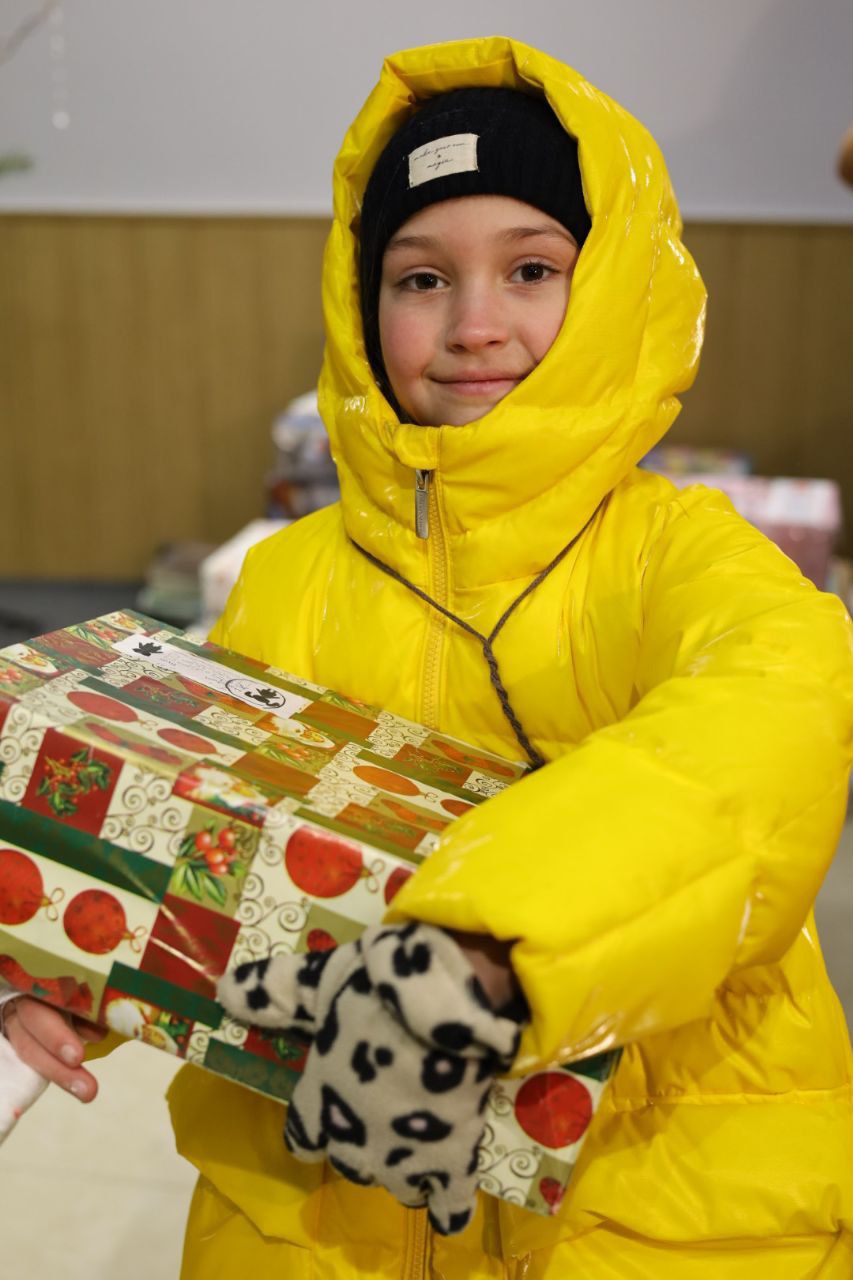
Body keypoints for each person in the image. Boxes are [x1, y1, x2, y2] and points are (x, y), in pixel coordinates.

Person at [3, 34, 853, 1278]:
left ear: (614, 287)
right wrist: (83, 962)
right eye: (420, 279)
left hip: (643, 1195)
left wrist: (484, 953)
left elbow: (767, 720)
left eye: (531, 268)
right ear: (362, 305)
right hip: (317, 1207)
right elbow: (212, 849)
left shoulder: (682, 556)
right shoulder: (288, 576)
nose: (474, 325)